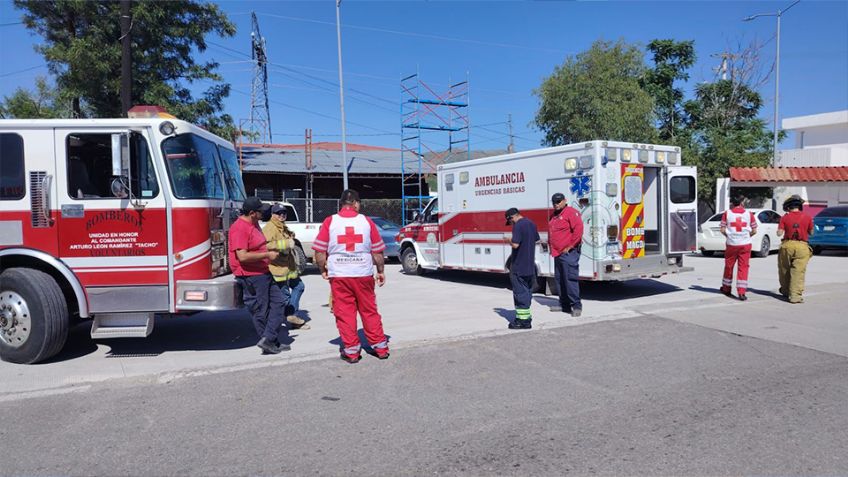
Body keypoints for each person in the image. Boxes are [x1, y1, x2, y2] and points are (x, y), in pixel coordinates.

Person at [312, 189, 389, 363]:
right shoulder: (366, 222)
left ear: (341, 204)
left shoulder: (330, 221)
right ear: (355, 203)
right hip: (363, 274)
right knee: (369, 311)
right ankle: (381, 347)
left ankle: (352, 351)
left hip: (339, 275)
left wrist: (322, 269)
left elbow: (319, 250)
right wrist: (381, 271)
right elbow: (377, 251)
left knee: (345, 313)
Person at [229, 197, 290, 354]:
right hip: (251, 275)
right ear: (251, 213)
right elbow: (242, 256)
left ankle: (269, 339)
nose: (263, 213)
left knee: (279, 302)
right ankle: (270, 342)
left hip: (263, 271)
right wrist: (268, 255)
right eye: (260, 211)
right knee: (261, 310)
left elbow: (259, 246)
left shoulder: (254, 223)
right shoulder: (240, 228)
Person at [262, 204, 309, 330]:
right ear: (272, 215)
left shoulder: (282, 227)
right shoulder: (270, 228)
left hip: (288, 267)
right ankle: (291, 317)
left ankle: (291, 316)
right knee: (284, 296)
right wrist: (286, 243)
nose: (282, 215)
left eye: (284, 213)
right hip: (277, 268)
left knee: (299, 286)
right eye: (279, 213)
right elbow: (265, 245)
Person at [548, 192, 583, 317]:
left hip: (569, 253)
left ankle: (576, 305)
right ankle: (564, 305)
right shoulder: (554, 216)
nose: (556, 204)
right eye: (554, 202)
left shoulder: (570, 213)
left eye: (558, 201)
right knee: (560, 279)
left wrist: (571, 246)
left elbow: (578, 231)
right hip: (557, 252)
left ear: (564, 200)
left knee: (570, 279)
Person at [505, 208, 540, 330]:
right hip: (529, 265)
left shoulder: (518, 225)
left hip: (519, 265)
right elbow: (537, 240)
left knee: (520, 293)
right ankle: (526, 316)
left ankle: (523, 321)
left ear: (511, 218)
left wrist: (508, 240)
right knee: (527, 291)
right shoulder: (531, 223)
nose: (511, 224)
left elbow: (515, 244)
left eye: (510, 222)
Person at [777, 195, 814, 304]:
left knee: (784, 270)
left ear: (788, 207)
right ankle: (795, 296)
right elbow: (811, 232)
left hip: (787, 245)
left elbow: (779, 232)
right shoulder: (807, 217)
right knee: (798, 272)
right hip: (802, 247)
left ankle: (785, 291)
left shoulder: (784, 218)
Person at [719, 195, 757, 301]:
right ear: (742, 203)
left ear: (732, 203)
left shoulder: (727, 213)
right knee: (743, 267)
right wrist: (746, 237)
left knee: (729, 266)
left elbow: (722, 229)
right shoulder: (749, 214)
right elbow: (754, 230)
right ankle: (741, 292)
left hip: (731, 244)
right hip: (745, 244)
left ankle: (726, 288)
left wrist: (729, 236)